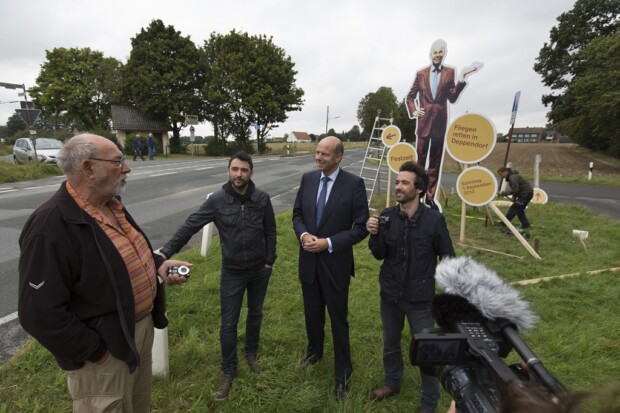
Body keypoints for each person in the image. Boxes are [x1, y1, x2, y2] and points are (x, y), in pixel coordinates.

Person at [18, 133, 190, 413]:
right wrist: (97, 353)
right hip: (106, 349)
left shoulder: (110, 205)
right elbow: (38, 313)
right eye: (118, 161)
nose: (127, 167)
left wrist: (156, 264)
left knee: (137, 406)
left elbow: (119, 257)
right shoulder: (49, 226)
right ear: (88, 168)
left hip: (139, 332)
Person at [158, 152, 277, 401]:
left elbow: (270, 231)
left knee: (256, 313)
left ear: (251, 173)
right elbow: (191, 225)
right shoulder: (217, 201)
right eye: (234, 169)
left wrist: (269, 261)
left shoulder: (262, 199)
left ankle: (251, 353)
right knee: (228, 323)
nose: (239, 174)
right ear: (228, 171)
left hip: (259, 270)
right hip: (232, 272)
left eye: (244, 170)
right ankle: (228, 370)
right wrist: (165, 252)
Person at [366, 161, 455, 412]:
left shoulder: (433, 221)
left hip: (421, 299)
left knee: (427, 350)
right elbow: (379, 254)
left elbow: (449, 257)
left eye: (404, 182)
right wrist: (374, 235)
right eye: (397, 182)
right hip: (391, 294)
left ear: (418, 189)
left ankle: (429, 402)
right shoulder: (386, 216)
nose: (398, 186)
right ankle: (392, 382)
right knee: (390, 342)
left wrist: (447, 294)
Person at [292, 136, 369, 401]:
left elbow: (361, 228)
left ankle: (342, 374)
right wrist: (304, 236)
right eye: (317, 153)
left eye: (325, 154)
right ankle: (314, 353)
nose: (318, 158)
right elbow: (297, 215)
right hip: (309, 263)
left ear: (338, 158)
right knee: (312, 314)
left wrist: (329, 243)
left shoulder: (354, 185)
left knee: (338, 321)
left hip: (335, 265)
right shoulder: (308, 179)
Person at [406, 39, 482, 207]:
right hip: (424, 124)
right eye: (435, 52)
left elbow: (452, 98)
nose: (438, 55)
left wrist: (462, 77)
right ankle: (415, 196)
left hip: (440, 124)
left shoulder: (449, 72)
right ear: (430, 54)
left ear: (444, 53)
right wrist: (414, 111)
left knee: (435, 163)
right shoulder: (421, 74)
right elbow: (410, 97)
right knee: (420, 161)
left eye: (441, 52)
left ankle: (430, 198)